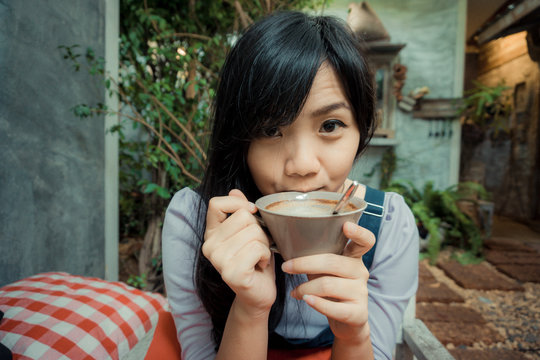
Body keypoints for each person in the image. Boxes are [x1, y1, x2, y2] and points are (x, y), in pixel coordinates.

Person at [162, 10, 418, 360]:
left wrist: (354, 334)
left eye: (330, 125)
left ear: (361, 131)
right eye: (270, 130)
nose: (301, 166)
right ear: (240, 138)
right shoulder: (193, 218)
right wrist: (250, 308)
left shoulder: (388, 223)